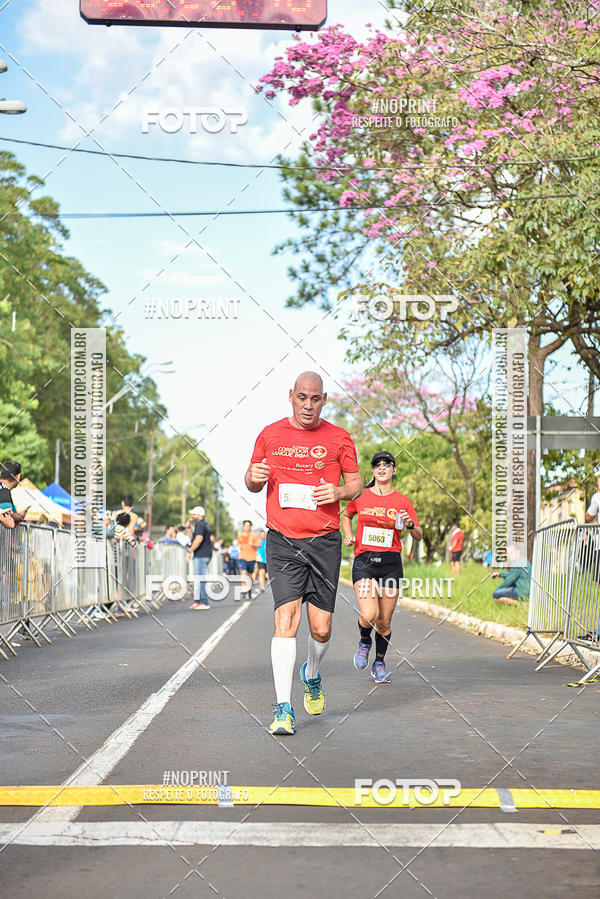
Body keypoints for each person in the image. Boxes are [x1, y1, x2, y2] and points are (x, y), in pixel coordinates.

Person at [246, 371, 362, 736]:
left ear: (324, 400)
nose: (308, 405)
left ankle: (311, 674)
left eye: (315, 399)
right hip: (283, 539)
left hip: (324, 541)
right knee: (286, 620)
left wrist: (339, 493)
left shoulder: (339, 437)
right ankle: (283, 708)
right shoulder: (270, 434)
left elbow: (357, 484)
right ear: (291, 396)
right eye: (302, 398)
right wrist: (254, 475)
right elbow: (251, 481)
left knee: (321, 628)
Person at [342, 451, 422, 683]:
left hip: (391, 565)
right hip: (365, 563)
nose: (382, 467)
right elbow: (346, 516)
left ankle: (379, 663)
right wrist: (348, 535)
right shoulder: (361, 496)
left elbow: (418, 535)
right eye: (378, 464)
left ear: (394, 470)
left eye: (387, 464)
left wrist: (409, 524)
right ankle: (364, 641)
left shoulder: (402, 501)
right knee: (369, 614)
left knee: (384, 621)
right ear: (374, 470)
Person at [187, 506, 212, 610]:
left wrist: (189, 551)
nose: (192, 516)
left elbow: (198, 539)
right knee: (198, 578)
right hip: (202, 554)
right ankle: (197, 601)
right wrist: (189, 528)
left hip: (201, 554)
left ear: (200, 515)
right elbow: (192, 538)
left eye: (194, 514)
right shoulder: (201, 525)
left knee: (200, 578)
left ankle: (204, 602)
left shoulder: (201, 525)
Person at [0, 461, 28, 529]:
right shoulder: (4, 489)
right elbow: (9, 521)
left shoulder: (5, 490)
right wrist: (19, 517)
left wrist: (19, 516)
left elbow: (10, 514)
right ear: (18, 476)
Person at [237, 520, 261, 598]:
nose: (247, 527)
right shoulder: (240, 535)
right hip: (242, 557)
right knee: (243, 573)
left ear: (250, 527)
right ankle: (244, 589)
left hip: (252, 557)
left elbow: (259, 545)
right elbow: (239, 544)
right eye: (245, 525)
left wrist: (253, 544)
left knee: (250, 576)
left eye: (248, 525)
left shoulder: (254, 535)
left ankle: (249, 589)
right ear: (243, 526)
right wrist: (239, 546)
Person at [255, 529, 268, 593]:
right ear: (259, 535)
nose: (263, 536)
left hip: (267, 560)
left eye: (264, 534)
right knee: (261, 573)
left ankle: (262, 582)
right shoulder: (258, 541)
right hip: (260, 560)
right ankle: (262, 587)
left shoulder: (267, 541)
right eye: (261, 535)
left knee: (267, 576)